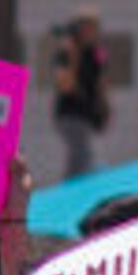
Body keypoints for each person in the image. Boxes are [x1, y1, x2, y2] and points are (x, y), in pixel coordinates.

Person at [49, 18, 109, 180]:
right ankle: (69, 187)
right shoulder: (65, 55)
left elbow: (101, 82)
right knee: (79, 153)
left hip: (88, 113)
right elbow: (66, 85)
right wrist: (73, 57)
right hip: (70, 112)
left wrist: (105, 108)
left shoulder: (96, 52)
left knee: (88, 155)